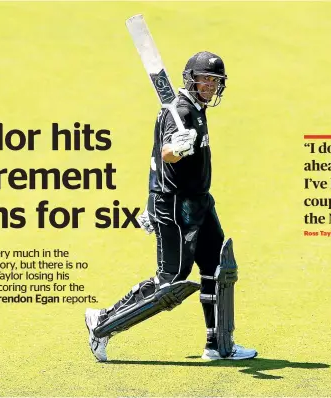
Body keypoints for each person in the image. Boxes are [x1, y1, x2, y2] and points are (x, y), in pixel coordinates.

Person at [84, 51, 257, 362]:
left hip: (200, 202)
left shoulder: (195, 109)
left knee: (218, 268)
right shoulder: (179, 111)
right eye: (205, 80)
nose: (210, 86)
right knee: (171, 281)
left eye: (215, 82)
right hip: (175, 205)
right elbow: (166, 153)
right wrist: (178, 148)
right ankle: (102, 323)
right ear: (191, 78)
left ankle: (219, 345)